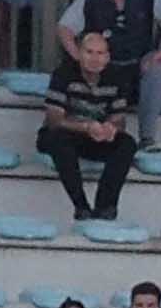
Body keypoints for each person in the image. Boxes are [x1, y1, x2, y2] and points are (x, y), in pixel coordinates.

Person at [57, 0, 161, 146]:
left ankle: (147, 139)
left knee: (157, 72)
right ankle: (95, 138)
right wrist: (79, 57)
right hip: (101, 67)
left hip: (137, 65)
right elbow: (64, 28)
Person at [37, 26, 138, 219]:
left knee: (127, 143)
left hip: (95, 136)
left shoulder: (116, 78)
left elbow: (119, 120)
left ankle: (106, 207)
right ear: (79, 53)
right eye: (89, 52)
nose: (95, 58)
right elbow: (53, 120)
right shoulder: (63, 73)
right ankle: (81, 206)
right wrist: (85, 127)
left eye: (100, 53)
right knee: (58, 139)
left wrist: (110, 128)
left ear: (108, 57)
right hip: (66, 133)